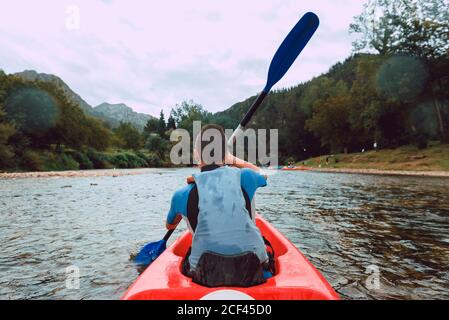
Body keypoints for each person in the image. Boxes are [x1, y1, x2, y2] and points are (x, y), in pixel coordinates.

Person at [165, 124, 272, 287]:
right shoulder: (246, 176)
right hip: (254, 270)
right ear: (226, 154)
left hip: (204, 276)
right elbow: (263, 174)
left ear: (196, 155)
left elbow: (170, 224)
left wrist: (182, 211)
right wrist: (232, 160)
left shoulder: (181, 195)